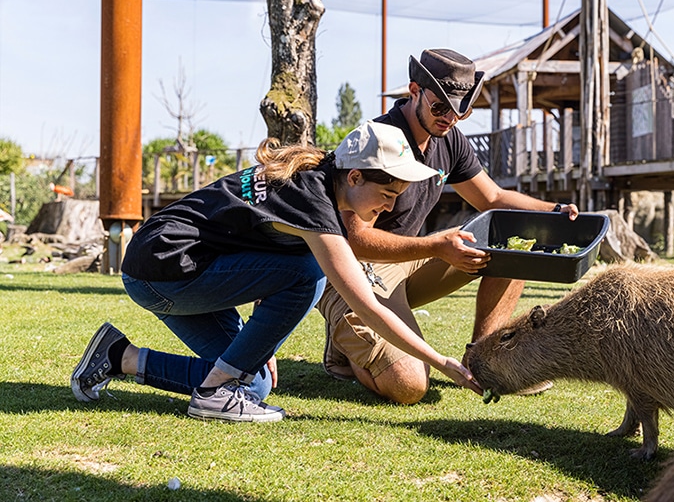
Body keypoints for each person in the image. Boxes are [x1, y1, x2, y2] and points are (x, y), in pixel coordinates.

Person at [70, 121, 481, 422]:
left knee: (252, 386)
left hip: (190, 266)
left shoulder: (317, 175)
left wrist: (257, 342)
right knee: (311, 273)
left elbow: (255, 246)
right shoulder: (314, 203)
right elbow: (367, 305)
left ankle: (119, 356)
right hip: (162, 271)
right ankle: (212, 393)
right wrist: (441, 361)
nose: (389, 208)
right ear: (354, 176)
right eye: (387, 194)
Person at [318, 48, 578, 405]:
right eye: (440, 107)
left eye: (461, 111)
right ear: (414, 91)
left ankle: (484, 363)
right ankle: (345, 346)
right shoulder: (380, 140)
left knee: (511, 253)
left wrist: (555, 210)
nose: (449, 118)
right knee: (409, 386)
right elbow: (356, 239)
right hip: (352, 272)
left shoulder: (448, 138)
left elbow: (493, 198)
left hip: (405, 263)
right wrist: (437, 246)